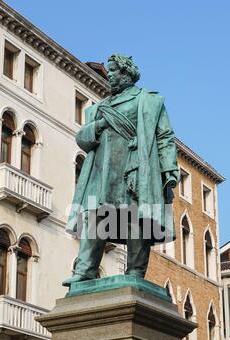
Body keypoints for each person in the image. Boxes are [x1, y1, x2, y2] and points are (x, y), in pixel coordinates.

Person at [63, 54, 179, 287]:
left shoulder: (148, 101)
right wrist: (100, 125)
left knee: (136, 217)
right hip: (103, 169)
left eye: (114, 70)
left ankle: (135, 271)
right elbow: (83, 139)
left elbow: (164, 136)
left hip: (136, 167)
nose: (111, 75)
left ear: (126, 73)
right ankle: (85, 270)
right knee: (96, 215)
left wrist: (169, 169)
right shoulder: (99, 109)